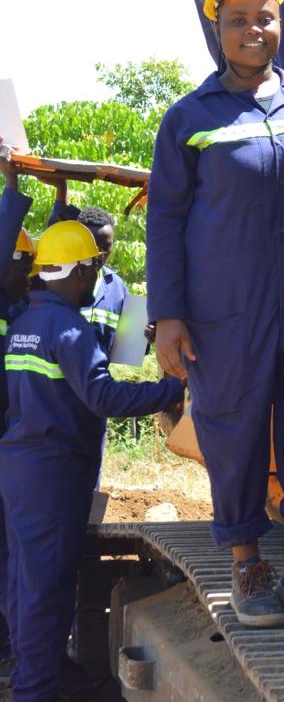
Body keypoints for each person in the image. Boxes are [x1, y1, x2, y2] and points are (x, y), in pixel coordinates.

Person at [146, 0, 284, 629]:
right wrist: (167, 317)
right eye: (238, 20)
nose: (253, 31)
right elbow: (166, 221)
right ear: (217, 28)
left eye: (264, 17)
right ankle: (246, 562)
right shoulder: (190, 119)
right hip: (223, 315)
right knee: (232, 431)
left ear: (280, 20)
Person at [0, 220, 183, 702]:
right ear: (80, 273)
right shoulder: (68, 327)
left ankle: (44, 673)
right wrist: (172, 389)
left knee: (24, 580)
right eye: (92, 269)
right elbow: (103, 395)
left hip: (21, 467)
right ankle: (35, 690)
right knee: (45, 588)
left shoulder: (23, 323)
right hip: (54, 474)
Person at [0, 168, 36, 685]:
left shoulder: (23, 308)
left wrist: (61, 198)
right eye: (24, 265)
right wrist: (12, 187)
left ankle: (13, 648)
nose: (31, 272)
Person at [49, 186, 128, 359]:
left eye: (106, 247)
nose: (99, 254)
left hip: (98, 382)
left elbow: (127, 349)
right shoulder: (61, 278)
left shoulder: (118, 288)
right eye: (93, 246)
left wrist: (147, 336)